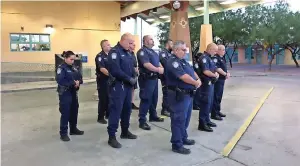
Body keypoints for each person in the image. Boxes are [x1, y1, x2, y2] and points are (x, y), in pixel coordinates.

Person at [165, 40, 201, 154]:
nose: (185, 52)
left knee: (185, 118)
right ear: (175, 50)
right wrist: (195, 83)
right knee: (178, 120)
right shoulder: (172, 61)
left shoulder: (183, 61)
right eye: (183, 50)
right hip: (178, 95)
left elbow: (192, 72)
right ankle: (177, 144)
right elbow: (183, 76)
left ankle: (183, 137)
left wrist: (198, 79)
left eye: (186, 49)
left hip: (187, 94)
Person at [106, 33, 137, 148]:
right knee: (116, 110)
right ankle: (111, 137)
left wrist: (134, 75)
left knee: (127, 110)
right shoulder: (115, 52)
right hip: (118, 86)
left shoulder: (128, 53)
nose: (131, 45)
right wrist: (129, 78)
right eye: (129, 43)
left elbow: (131, 67)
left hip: (128, 86)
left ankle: (125, 131)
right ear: (123, 40)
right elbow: (115, 70)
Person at [137, 35, 164, 131]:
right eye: (151, 39)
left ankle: (153, 115)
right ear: (145, 41)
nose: (153, 41)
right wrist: (158, 69)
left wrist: (161, 68)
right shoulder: (142, 52)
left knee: (154, 98)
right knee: (146, 99)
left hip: (154, 78)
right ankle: (142, 120)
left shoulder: (153, 52)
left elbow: (158, 62)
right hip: (146, 79)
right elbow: (146, 64)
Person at [56, 51, 84, 141]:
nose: (73, 61)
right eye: (71, 59)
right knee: (65, 112)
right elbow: (60, 81)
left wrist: (78, 82)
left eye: (74, 59)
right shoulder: (61, 68)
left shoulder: (74, 67)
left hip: (73, 92)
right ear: (65, 58)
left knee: (74, 110)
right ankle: (63, 133)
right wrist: (73, 83)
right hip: (65, 93)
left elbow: (80, 77)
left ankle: (73, 129)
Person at [194, 43, 219, 132]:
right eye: (215, 50)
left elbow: (213, 69)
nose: (216, 52)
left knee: (209, 103)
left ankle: (207, 120)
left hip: (210, 83)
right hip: (205, 84)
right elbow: (205, 71)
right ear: (210, 49)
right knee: (205, 103)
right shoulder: (204, 58)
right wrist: (214, 75)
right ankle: (202, 123)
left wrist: (216, 73)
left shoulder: (209, 58)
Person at [211, 45, 230, 120]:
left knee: (219, 96)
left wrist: (227, 72)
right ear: (218, 50)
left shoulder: (222, 58)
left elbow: (224, 67)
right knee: (216, 96)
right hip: (218, 80)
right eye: (222, 50)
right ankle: (214, 113)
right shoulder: (216, 58)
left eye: (224, 50)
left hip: (222, 80)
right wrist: (225, 74)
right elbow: (217, 69)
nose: (224, 51)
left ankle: (218, 111)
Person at [95, 39, 111, 124]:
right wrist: (112, 75)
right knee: (103, 99)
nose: (110, 46)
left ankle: (108, 114)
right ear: (103, 46)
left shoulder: (111, 55)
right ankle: (100, 117)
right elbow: (102, 69)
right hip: (103, 81)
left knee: (110, 98)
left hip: (110, 80)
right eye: (108, 45)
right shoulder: (100, 56)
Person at [159, 39, 173, 117]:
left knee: (170, 93)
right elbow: (166, 63)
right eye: (172, 44)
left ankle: (168, 108)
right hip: (165, 76)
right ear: (168, 44)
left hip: (170, 76)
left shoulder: (169, 53)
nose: (173, 45)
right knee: (166, 93)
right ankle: (164, 110)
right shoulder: (163, 53)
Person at [129, 41, 139, 110]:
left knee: (133, 89)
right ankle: (127, 103)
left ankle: (131, 103)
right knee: (128, 89)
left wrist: (136, 70)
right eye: (132, 44)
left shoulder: (133, 54)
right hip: (128, 75)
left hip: (133, 75)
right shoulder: (126, 53)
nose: (134, 45)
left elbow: (135, 64)